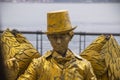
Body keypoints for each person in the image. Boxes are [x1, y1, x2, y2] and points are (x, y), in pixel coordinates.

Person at [18, 10, 97, 80]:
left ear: (71, 36)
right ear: (48, 38)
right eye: (54, 37)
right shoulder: (38, 64)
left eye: (62, 36)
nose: (58, 42)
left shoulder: (84, 65)